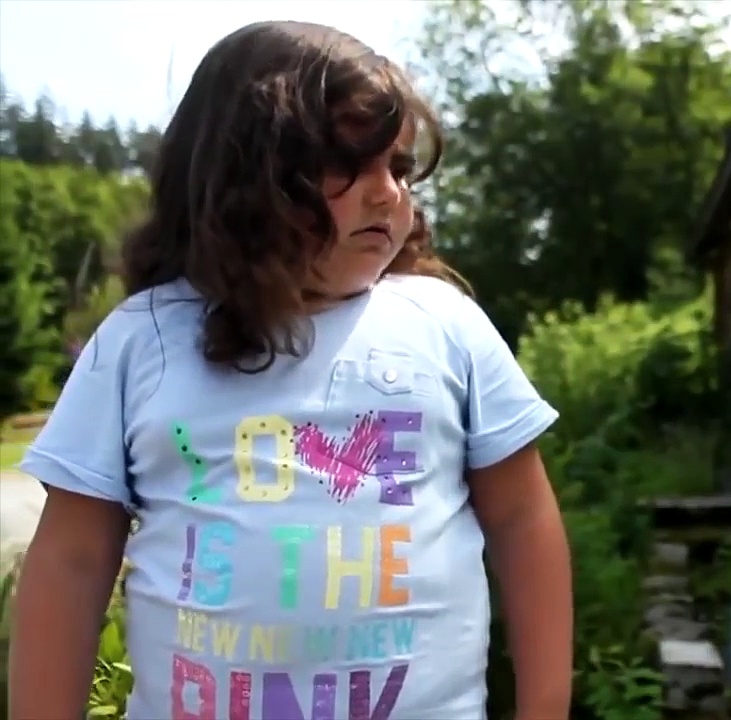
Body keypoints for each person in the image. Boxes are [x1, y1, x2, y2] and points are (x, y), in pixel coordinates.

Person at [9, 21, 573, 720]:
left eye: (399, 169)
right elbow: (72, 559)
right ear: (246, 177)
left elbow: (521, 516)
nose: (388, 195)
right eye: (347, 164)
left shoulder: (445, 326)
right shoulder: (142, 339)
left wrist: (544, 707)